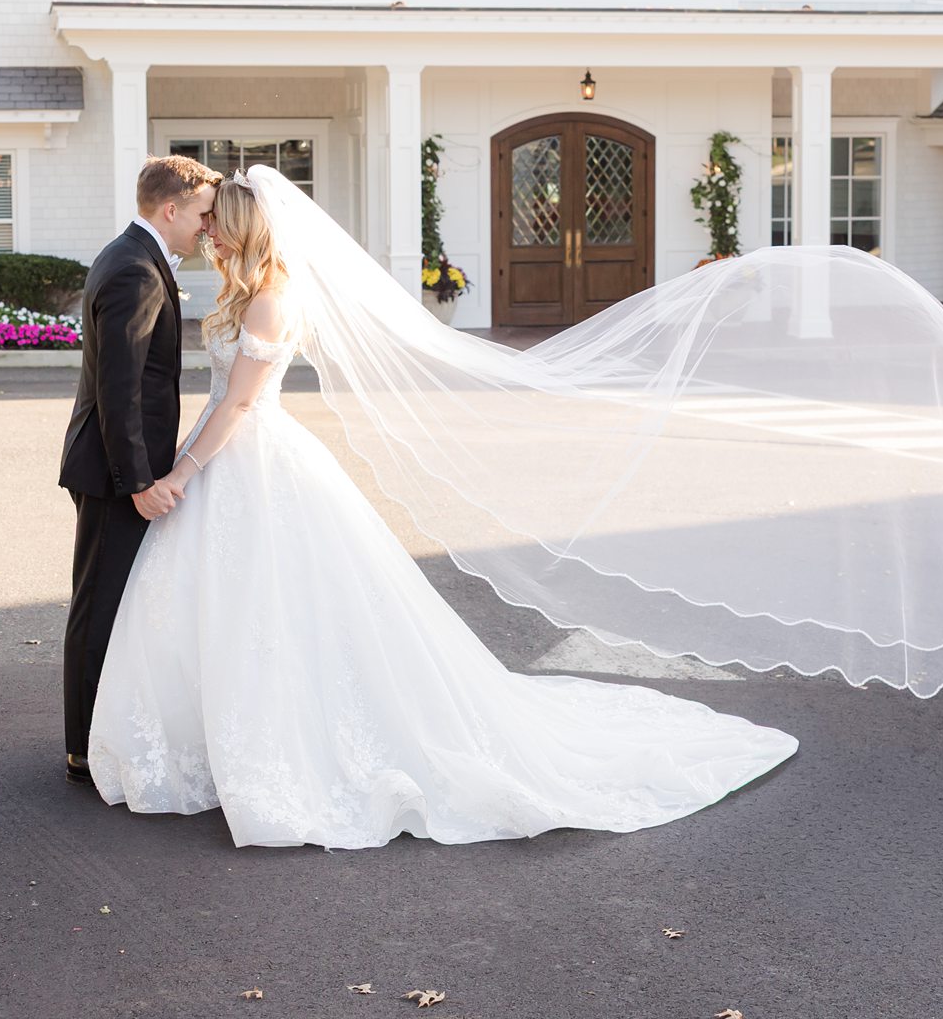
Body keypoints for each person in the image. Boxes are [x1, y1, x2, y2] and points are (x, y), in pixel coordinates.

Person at [84, 170, 800, 847]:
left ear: (247, 231)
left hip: (245, 457)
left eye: (219, 227)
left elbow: (240, 401)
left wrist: (182, 469)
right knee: (225, 607)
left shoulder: (272, 296)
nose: (209, 236)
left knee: (277, 608)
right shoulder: (244, 291)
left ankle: (284, 743)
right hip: (224, 460)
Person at [57, 153, 219, 786]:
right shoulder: (136, 271)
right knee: (99, 606)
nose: (207, 228)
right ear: (170, 208)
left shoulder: (129, 256)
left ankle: (98, 738)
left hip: (114, 466)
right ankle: (83, 749)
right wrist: (140, 484)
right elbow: (120, 391)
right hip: (112, 471)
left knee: (109, 602)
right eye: (203, 214)